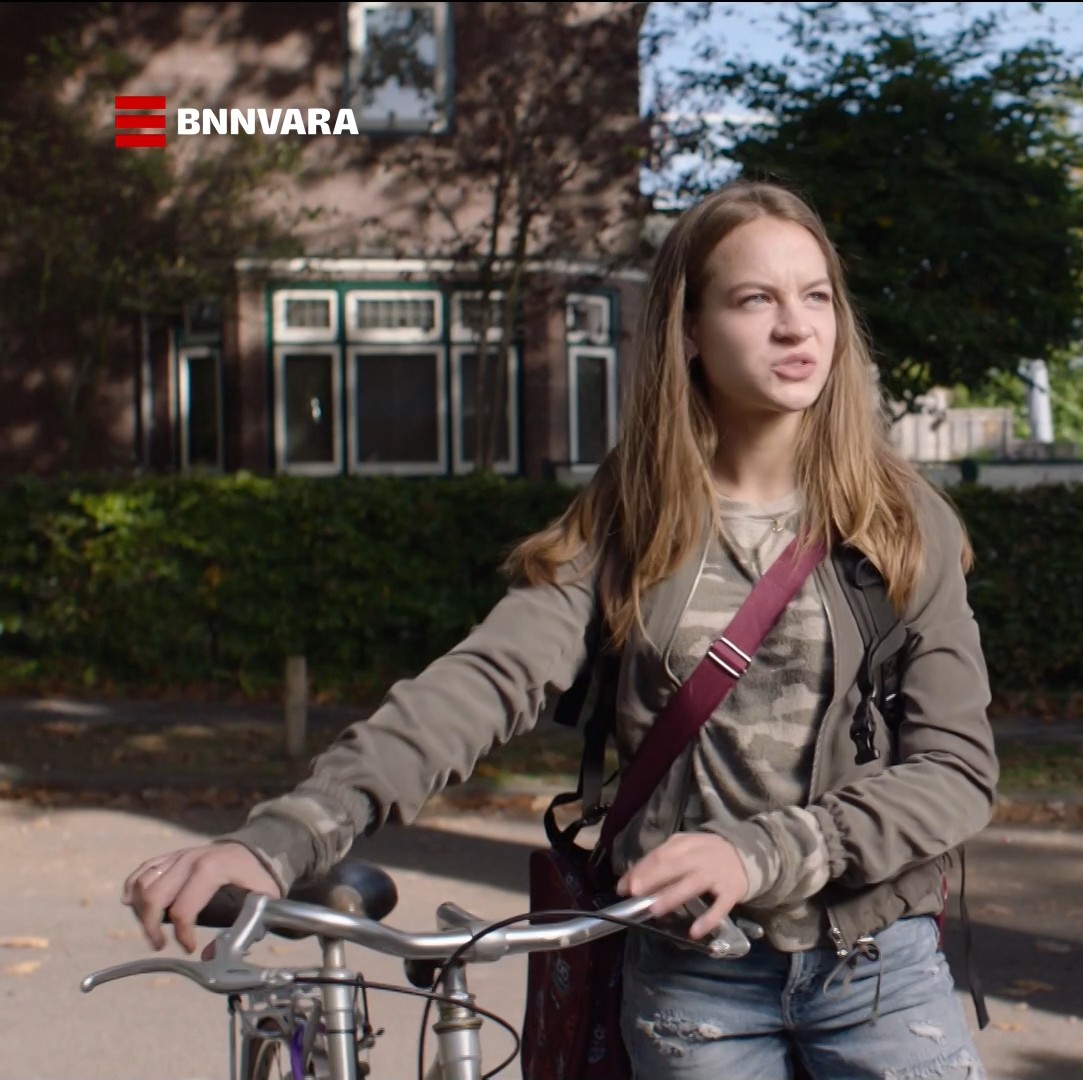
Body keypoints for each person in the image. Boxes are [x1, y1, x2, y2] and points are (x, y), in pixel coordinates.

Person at [119, 180, 1000, 1080]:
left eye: (815, 296)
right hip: (695, 983)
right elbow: (485, 679)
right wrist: (285, 836)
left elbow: (957, 771)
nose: (795, 326)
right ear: (689, 331)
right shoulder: (634, 516)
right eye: (753, 299)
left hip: (878, 972)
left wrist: (764, 851)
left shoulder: (900, 522)